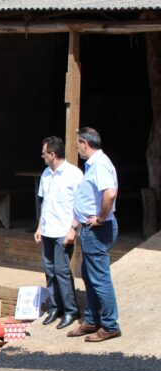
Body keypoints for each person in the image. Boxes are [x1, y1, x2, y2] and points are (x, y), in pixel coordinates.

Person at [67, 127, 121, 342]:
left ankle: (110, 325)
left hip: (97, 229)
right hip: (89, 230)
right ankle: (91, 320)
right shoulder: (94, 164)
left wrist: (99, 218)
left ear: (84, 143)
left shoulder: (100, 164)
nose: (77, 148)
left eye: (77, 143)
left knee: (99, 278)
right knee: (89, 275)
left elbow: (110, 193)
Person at [33, 136, 83, 330]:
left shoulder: (74, 174)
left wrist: (73, 229)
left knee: (62, 271)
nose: (43, 157)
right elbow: (45, 202)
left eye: (44, 154)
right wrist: (39, 227)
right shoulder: (46, 174)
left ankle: (71, 310)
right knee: (49, 270)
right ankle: (56, 307)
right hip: (48, 229)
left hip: (64, 230)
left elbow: (81, 205)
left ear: (52, 154)